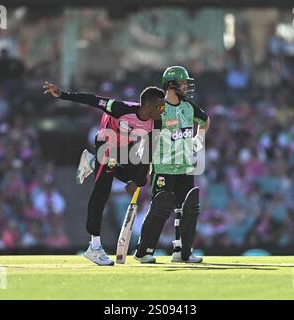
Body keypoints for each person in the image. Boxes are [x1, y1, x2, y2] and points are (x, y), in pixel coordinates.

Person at [43, 81, 165, 265]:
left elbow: (149, 152)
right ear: (148, 105)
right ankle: (94, 247)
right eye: (161, 106)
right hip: (106, 145)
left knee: (137, 177)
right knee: (102, 191)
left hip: (125, 151)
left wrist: (137, 181)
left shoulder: (156, 122)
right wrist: (63, 95)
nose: (163, 110)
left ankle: (91, 161)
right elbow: (93, 100)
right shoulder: (120, 108)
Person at [134, 66, 210, 263]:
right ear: (171, 85)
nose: (186, 86)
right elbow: (148, 132)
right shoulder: (160, 108)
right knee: (161, 207)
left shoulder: (188, 107)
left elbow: (205, 120)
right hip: (163, 168)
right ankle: (144, 251)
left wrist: (198, 140)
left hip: (185, 167)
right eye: (183, 83)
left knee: (188, 209)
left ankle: (183, 252)